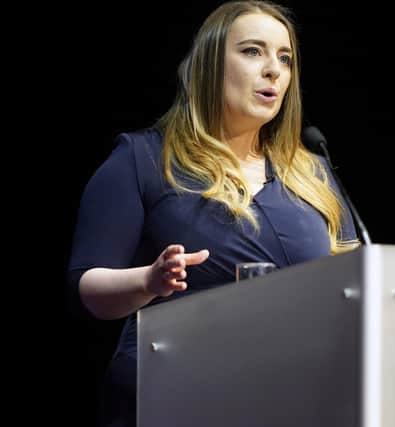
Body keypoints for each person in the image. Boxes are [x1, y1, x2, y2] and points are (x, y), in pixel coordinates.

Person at [66, 1, 360, 425]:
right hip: (170, 398)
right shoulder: (145, 158)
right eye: (253, 51)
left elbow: (352, 281)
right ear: (209, 64)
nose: (273, 70)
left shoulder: (311, 174)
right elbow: (87, 285)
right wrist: (149, 280)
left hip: (287, 399)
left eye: (285, 58)